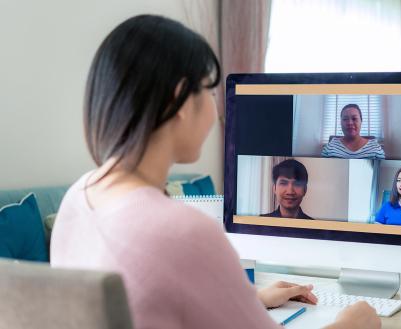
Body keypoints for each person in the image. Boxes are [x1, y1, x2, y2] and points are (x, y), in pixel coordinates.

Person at [50, 15, 379, 329]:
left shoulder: (78, 198)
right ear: (178, 100)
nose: (215, 109)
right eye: (209, 92)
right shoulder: (183, 231)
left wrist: (247, 300)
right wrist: (351, 323)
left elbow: (146, 302)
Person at [321, 104, 385, 159]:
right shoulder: (330, 146)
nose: (350, 123)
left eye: (354, 119)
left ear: (361, 121)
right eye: (345, 119)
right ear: (340, 122)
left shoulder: (375, 148)